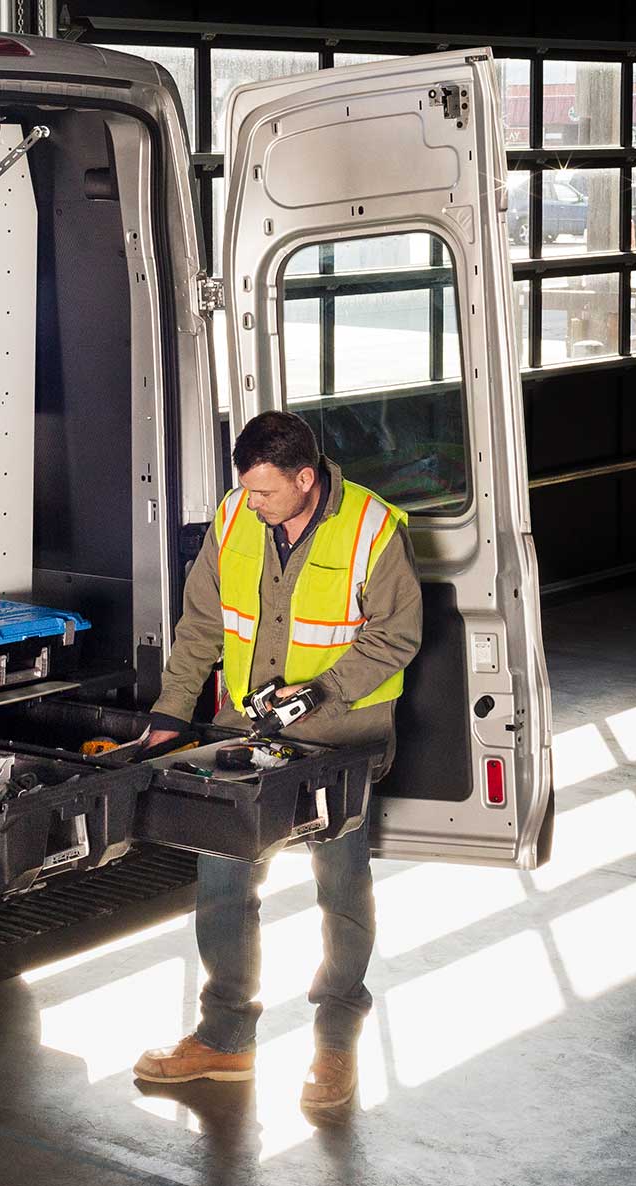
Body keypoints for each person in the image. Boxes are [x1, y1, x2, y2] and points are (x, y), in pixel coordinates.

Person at [130, 410, 421, 1117]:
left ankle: (336, 1044)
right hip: (245, 736)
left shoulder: (373, 529)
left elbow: (397, 636)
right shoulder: (236, 518)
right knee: (223, 879)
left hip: (339, 740)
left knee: (341, 890)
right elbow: (202, 623)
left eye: (266, 494)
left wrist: (321, 691)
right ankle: (225, 1038)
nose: (252, 505)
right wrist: (171, 712)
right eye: (246, 491)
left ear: (305, 479)